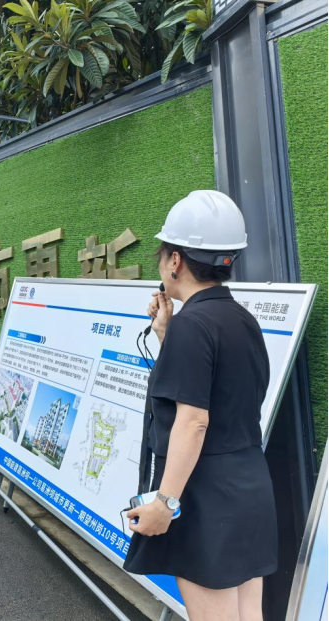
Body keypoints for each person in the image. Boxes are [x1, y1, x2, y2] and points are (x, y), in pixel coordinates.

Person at [123, 190, 276, 621]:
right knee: (248, 614)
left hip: (207, 495)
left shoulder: (193, 324)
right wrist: (166, 335)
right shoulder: (242, 319)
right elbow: (218, 390)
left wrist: (165, 503)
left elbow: (193, 422)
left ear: (175, 260)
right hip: (248, 485)